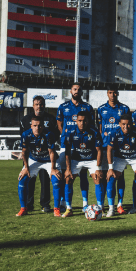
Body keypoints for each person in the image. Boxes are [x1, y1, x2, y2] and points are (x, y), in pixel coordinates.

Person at [57, 82, 95, 212]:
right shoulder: (63, 106)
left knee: (83, 173)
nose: (76, 91)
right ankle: (63, 200)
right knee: (65, 173)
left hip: (82, 144)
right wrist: (65, 135)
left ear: (82, 92)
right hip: (66, 144)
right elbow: (59, 122)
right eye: (74, 89)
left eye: (79, 89)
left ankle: (85, 202)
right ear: (70, 91)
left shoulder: (88, 107)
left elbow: (91, 125)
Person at [16, 116, 62, 217]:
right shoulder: (26, 134)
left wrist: (53, 169)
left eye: (40, 125)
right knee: (22, 179)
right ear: (31, 126)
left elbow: (52, 152)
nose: (38, 128)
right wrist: (26, 168)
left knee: (56, 179)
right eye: (35, 126)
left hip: (48, 160)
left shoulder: (49, 134)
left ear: (43, 126)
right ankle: (23, 208)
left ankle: (56, 209)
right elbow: (24, 152)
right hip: (34, 159)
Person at [106, 114, 136, 217]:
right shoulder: (114, 132)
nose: (126, 127)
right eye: (123, 124)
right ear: (119, 124)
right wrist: (110, 168)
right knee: (111, 178)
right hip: (120, 158)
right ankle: (111, 209)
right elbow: (109, 149)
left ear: (132, 124)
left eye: (128, 124)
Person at [62, 111, 104, 218]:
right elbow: (67, 151)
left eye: (84, 121)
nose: (82, 123)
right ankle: (69, 208)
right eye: (79, 121)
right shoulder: (71, 131)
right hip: (77, 159)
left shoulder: (94, 131)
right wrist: (68, 169)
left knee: (97, 178)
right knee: (68, 178)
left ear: (88, 121)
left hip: (92, 159)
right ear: (76, 120)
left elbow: (99, 151)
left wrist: (98, 168)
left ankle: (100, 208)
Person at [97, 86, 130, 214]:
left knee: (120, 177)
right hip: (106, 147)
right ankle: (104, 204)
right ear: (107, 94)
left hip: (120, 148)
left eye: (114, 92)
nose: (112, 95)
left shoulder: (124, 108)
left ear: (118, 94)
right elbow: (100, 128)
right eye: (110, 92)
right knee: (106, 175)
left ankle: (119, 204)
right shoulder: (101, 109)